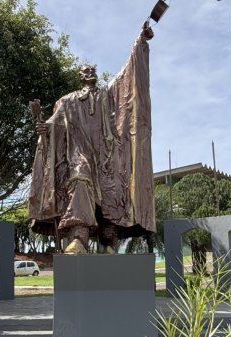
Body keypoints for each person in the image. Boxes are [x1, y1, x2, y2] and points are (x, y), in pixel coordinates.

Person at [28, 22, 156, 254]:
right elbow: (55, 123)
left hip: (107, 154)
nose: (90, 73)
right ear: (80, 76)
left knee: (115, 187)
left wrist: (140, 43)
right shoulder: (67, 101)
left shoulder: (108, 96)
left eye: (92, 70)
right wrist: (45, 128)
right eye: (85, 71)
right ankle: (79, 238)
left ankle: (109, 242)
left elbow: (128, 76)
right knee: (80, 178)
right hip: (79, 153)